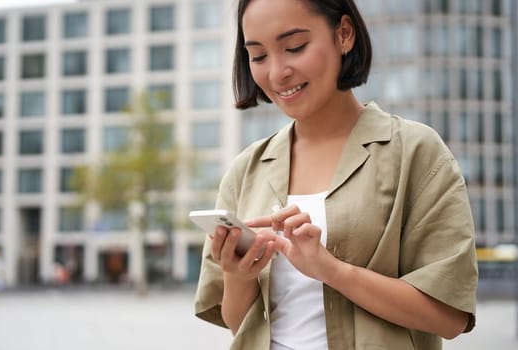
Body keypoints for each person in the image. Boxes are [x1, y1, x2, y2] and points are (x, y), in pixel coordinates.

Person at [194, 0, 479, 349]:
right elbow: (240, 323)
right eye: (258, 56)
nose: (277, 72)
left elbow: (449, 316)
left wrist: (331, 270)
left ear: (344, 33)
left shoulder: (415, 151)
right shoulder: (245, 171)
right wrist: (238, 276)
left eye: (294, 47)